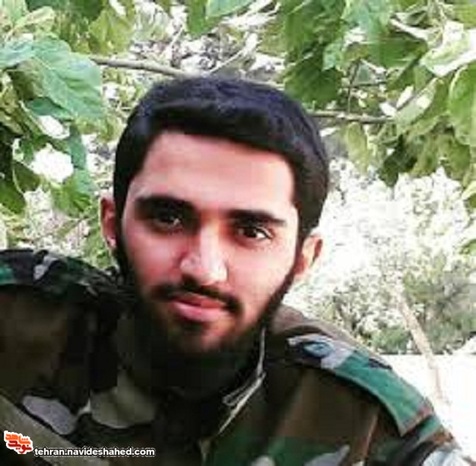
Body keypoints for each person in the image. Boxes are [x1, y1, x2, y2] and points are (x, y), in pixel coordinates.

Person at [0, 77, 471, 466]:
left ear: (304, 257)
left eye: (251, 231)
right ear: (112, 223)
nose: (204, 269)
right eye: (167, 218)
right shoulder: (17, 324)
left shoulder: (365, 420)